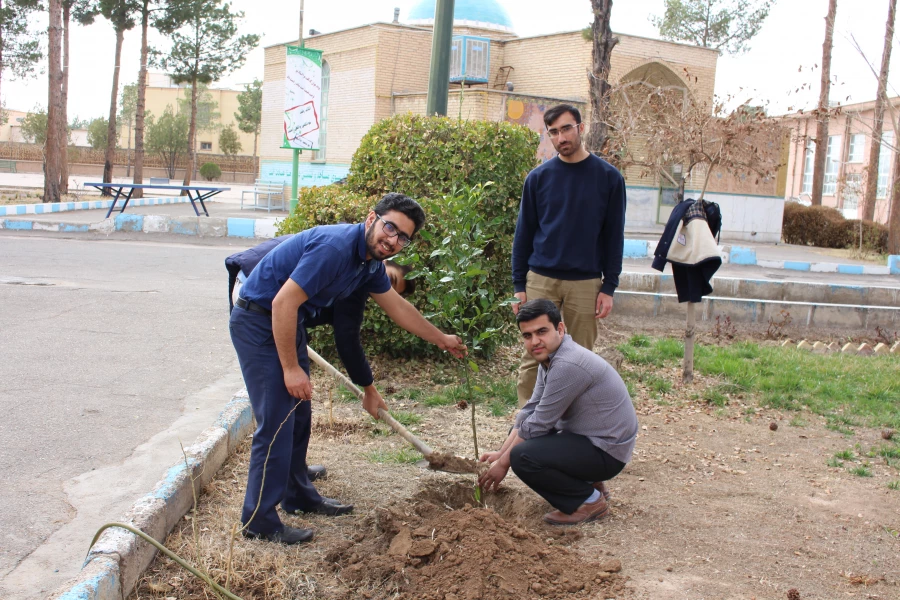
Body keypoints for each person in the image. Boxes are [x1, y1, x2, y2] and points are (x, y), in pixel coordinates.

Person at [231, 192, 465, 545]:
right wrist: (291, 368)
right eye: (390, 227)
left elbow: (398, 308)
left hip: (286, 322)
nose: (394, 240)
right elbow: (283, 301)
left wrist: (441, 339)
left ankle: (297, 494)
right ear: (372, 218)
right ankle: (258, 520)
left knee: (299, 414)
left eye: (403, 237)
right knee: (278, 421)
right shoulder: (337, 247)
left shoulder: (368, 262)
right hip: (260, 320)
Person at [227, 239, 416, 482]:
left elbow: (342, 328)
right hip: (256, 295)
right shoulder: (355, 258)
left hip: (281, 308)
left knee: (299, 408)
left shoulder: (364, 274)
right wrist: (368, 388)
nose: (381, 291)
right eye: (390, 280)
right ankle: (267, 505)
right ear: (386, 262)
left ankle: (295, 477)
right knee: (279, 413)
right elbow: (346, 339)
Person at [478, 299, 637, 525]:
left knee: (522, 456)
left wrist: (504, 464)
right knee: (519, 436)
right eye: (527, 335)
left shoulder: (568, 364)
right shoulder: (551, 357)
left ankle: (589, 501)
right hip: (591, 440)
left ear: (560, 329)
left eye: (541, 331)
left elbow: (540, 424)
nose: (535, 341)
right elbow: (531, 410)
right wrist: (499, 453)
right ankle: (589, 483)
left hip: (607, 451)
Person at [511, 104, 627, 405]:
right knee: (533, 357)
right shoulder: (538, 179)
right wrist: (518, 287)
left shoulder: (609, 178)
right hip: (541, 279)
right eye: (553, 132)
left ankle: (573, 427)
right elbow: (523, 234)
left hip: (586, 283)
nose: (560, 137)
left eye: (566, 129)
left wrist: (609, 286)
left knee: (581, 360)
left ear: (581, 127)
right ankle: (526, 426)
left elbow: (614, 236)